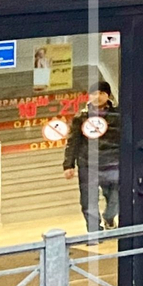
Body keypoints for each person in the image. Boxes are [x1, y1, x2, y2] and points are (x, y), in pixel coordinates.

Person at [62, 81, 121, 232]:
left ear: (108, 95)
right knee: (89, 200)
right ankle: (94, 231)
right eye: (94, 93)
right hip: (88, 163)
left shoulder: (117, 115)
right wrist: (68, 165)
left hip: (113, 162)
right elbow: (73, 141)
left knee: (116, 196)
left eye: (101, 93)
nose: (98, 96)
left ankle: (109, 217)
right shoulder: (81, 117)